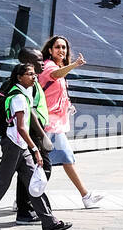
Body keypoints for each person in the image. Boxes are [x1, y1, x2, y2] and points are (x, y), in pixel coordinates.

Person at [0, 62, 71, 230]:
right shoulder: (18, 97)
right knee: (2, 184)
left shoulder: (25, 94)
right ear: (19, 77)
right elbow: (21, 128)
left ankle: (49, 222)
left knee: (34, 183)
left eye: (34, 74)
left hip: (20, 146)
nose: (34, 77)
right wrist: (36, 149)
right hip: (13, 145)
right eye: (30, 74)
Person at [39, 36, 102, 208]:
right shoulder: (48, 66)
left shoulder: (60, 68)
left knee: (47, 162)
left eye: (64, 48)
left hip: (55, 123)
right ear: (50, 50)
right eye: (58, 47)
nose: (62, 50)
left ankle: (26, 197)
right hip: (48, 124)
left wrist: (67, 106)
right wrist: (74, 65)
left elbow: (56, 92)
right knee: (58, 160)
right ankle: (85, 196)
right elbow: (54, 75)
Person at [11, 45, 55, 226]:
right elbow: (30, 112)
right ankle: (25, 209)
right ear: (28, 63)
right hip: (30, 134)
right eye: (38, 60)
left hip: (32, 133)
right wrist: (42, 135)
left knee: (27, 173)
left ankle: (26, 209)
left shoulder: (33, 83)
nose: (42, 62)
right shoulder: (25, 85)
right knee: (40, 170)